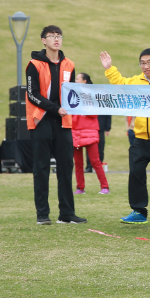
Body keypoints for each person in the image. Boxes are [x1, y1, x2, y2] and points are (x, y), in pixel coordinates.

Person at [101, 48, 150, 226]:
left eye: (149, 62)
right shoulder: (136, 81)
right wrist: (109, 68)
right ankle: (139, 211)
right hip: (140, 137)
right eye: (142, 63)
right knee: (135, 173)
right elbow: (120, 85)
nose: (145, 66)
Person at [26, 26, 86, 225]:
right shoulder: (34, 65)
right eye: (51, 36)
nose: (56, 39)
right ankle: (42, 214)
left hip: (63, 123)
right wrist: (55, 108)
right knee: (41, 168)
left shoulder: (69, 64)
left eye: (58, 36)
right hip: (41, 120)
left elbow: (72, 93)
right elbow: (32, 94)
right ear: (43, 40)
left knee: (65, 167)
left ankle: (67, 214)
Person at [71, 72, 109, 195]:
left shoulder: (91, 95)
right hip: (76, 131)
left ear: (85, 81)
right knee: (78, 163)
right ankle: (80, 188)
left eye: (78, 79)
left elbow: (94, 113)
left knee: (95, 161)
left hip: (90, 132)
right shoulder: (72, 94)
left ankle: (105, 187)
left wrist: (80, 106)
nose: (75, 80)